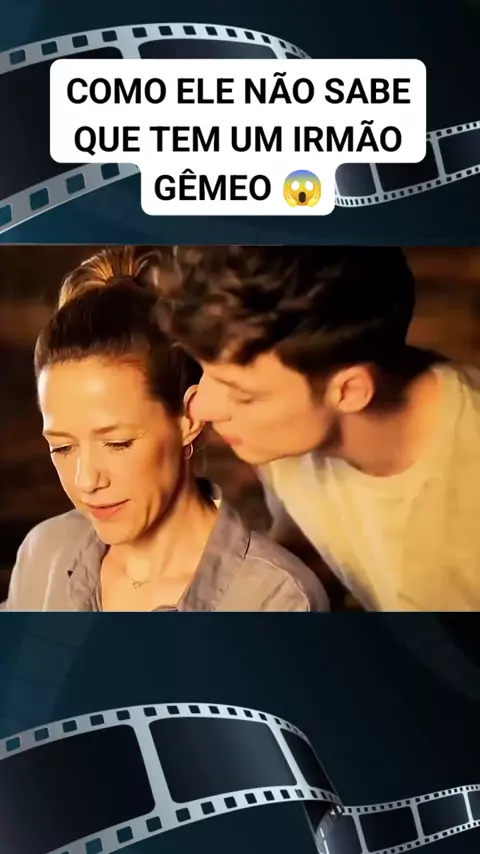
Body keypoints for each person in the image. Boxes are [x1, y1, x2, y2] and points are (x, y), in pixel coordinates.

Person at [156, 245, 480, 612]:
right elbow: (318, 542)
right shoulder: (278, 436)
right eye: (206, 372)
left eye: (242, 395)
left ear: (350, 391)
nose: (200, 407)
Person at [2, 247, 328, 612]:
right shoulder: (44, 554)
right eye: (62, 448)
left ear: (189, 418)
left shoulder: (274, 598)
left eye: (117, 443)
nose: (86, 480)